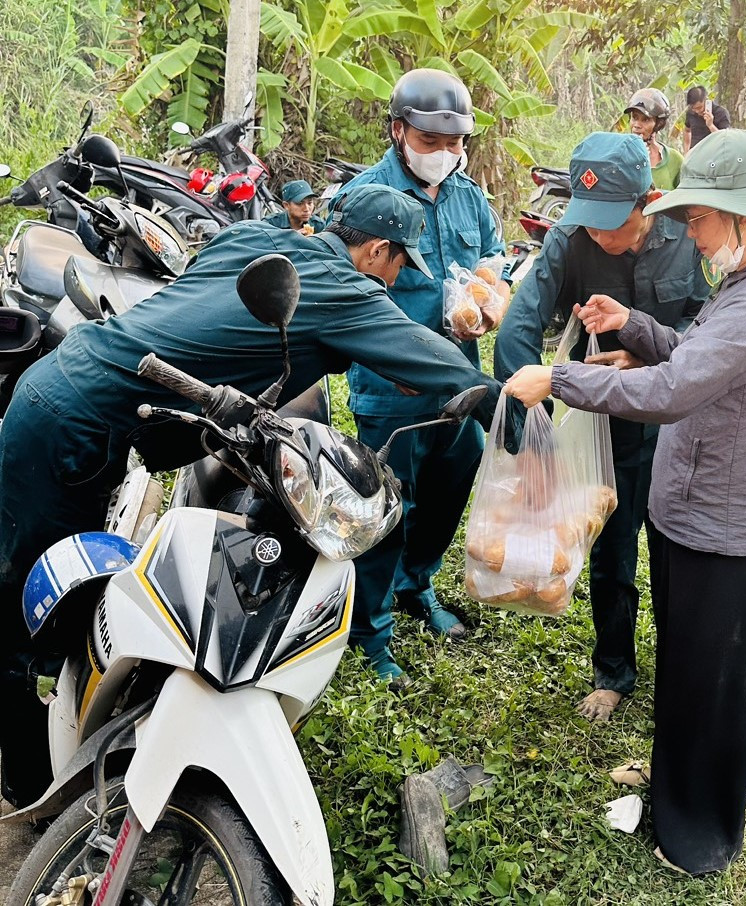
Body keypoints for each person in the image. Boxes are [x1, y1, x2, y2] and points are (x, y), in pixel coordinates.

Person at [0, 184, 504, 808]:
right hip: (72, 419)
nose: (399, 276)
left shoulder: (258, 240)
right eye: (400, 262)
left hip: (73, 389)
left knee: (43, 580)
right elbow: (434, 360)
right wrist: (514, 395)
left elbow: (225, 315)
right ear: (376, 251)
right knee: (35, 610)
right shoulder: (345, 289)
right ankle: (29, 784)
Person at [503, 129, 746, 875]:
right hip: (694, 517)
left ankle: (702, 835)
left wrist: (559, 381)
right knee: (686, 668)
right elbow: (695, 362)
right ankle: (675, 786)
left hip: (730, 530)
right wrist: (636, 330)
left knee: (716, 682)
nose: (691, 232)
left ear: (745, 216)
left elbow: (678, 390)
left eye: (701, 219)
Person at [494, 132, 708, 722]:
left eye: (612, 222)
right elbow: (519, 327)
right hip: (602, 426)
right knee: (614, 553)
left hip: (673, 424)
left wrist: (653, 358)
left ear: (650, 201)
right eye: (589, 222)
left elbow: (706, 323)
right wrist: (527, 424)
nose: (598, 235)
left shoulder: (686, 237)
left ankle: (685, 662)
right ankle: (613, 672)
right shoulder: (569, 239)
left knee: (676, 547)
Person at [330, 69, 507, 683]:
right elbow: (343, 292)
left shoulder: (469, 196)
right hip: (390, 390)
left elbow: (492, 257)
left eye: (456, 143)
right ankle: (371, 632)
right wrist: (384, 359)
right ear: (399, 130)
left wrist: (488, 295)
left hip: (459, 379)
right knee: (385, 509)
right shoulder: (364, 197)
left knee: (452, 482)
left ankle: (417, 583)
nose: (446, 155)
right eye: (432, 142)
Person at [624, 88, 684, 190]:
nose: (637, 125)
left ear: (658, 124)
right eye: (634, 117)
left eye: (645, 120)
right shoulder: (620, 156)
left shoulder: (675, 160)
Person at [682, 86, 730, 155]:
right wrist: (686, 152)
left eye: (699, 107)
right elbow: (687, 130)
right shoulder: (690, 113)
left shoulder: (721, 113)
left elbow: (725, 140)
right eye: (694, 108)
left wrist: (711, 125)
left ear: (706, 100)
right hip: (696, 155)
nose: (697, 111)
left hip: (714, 156)